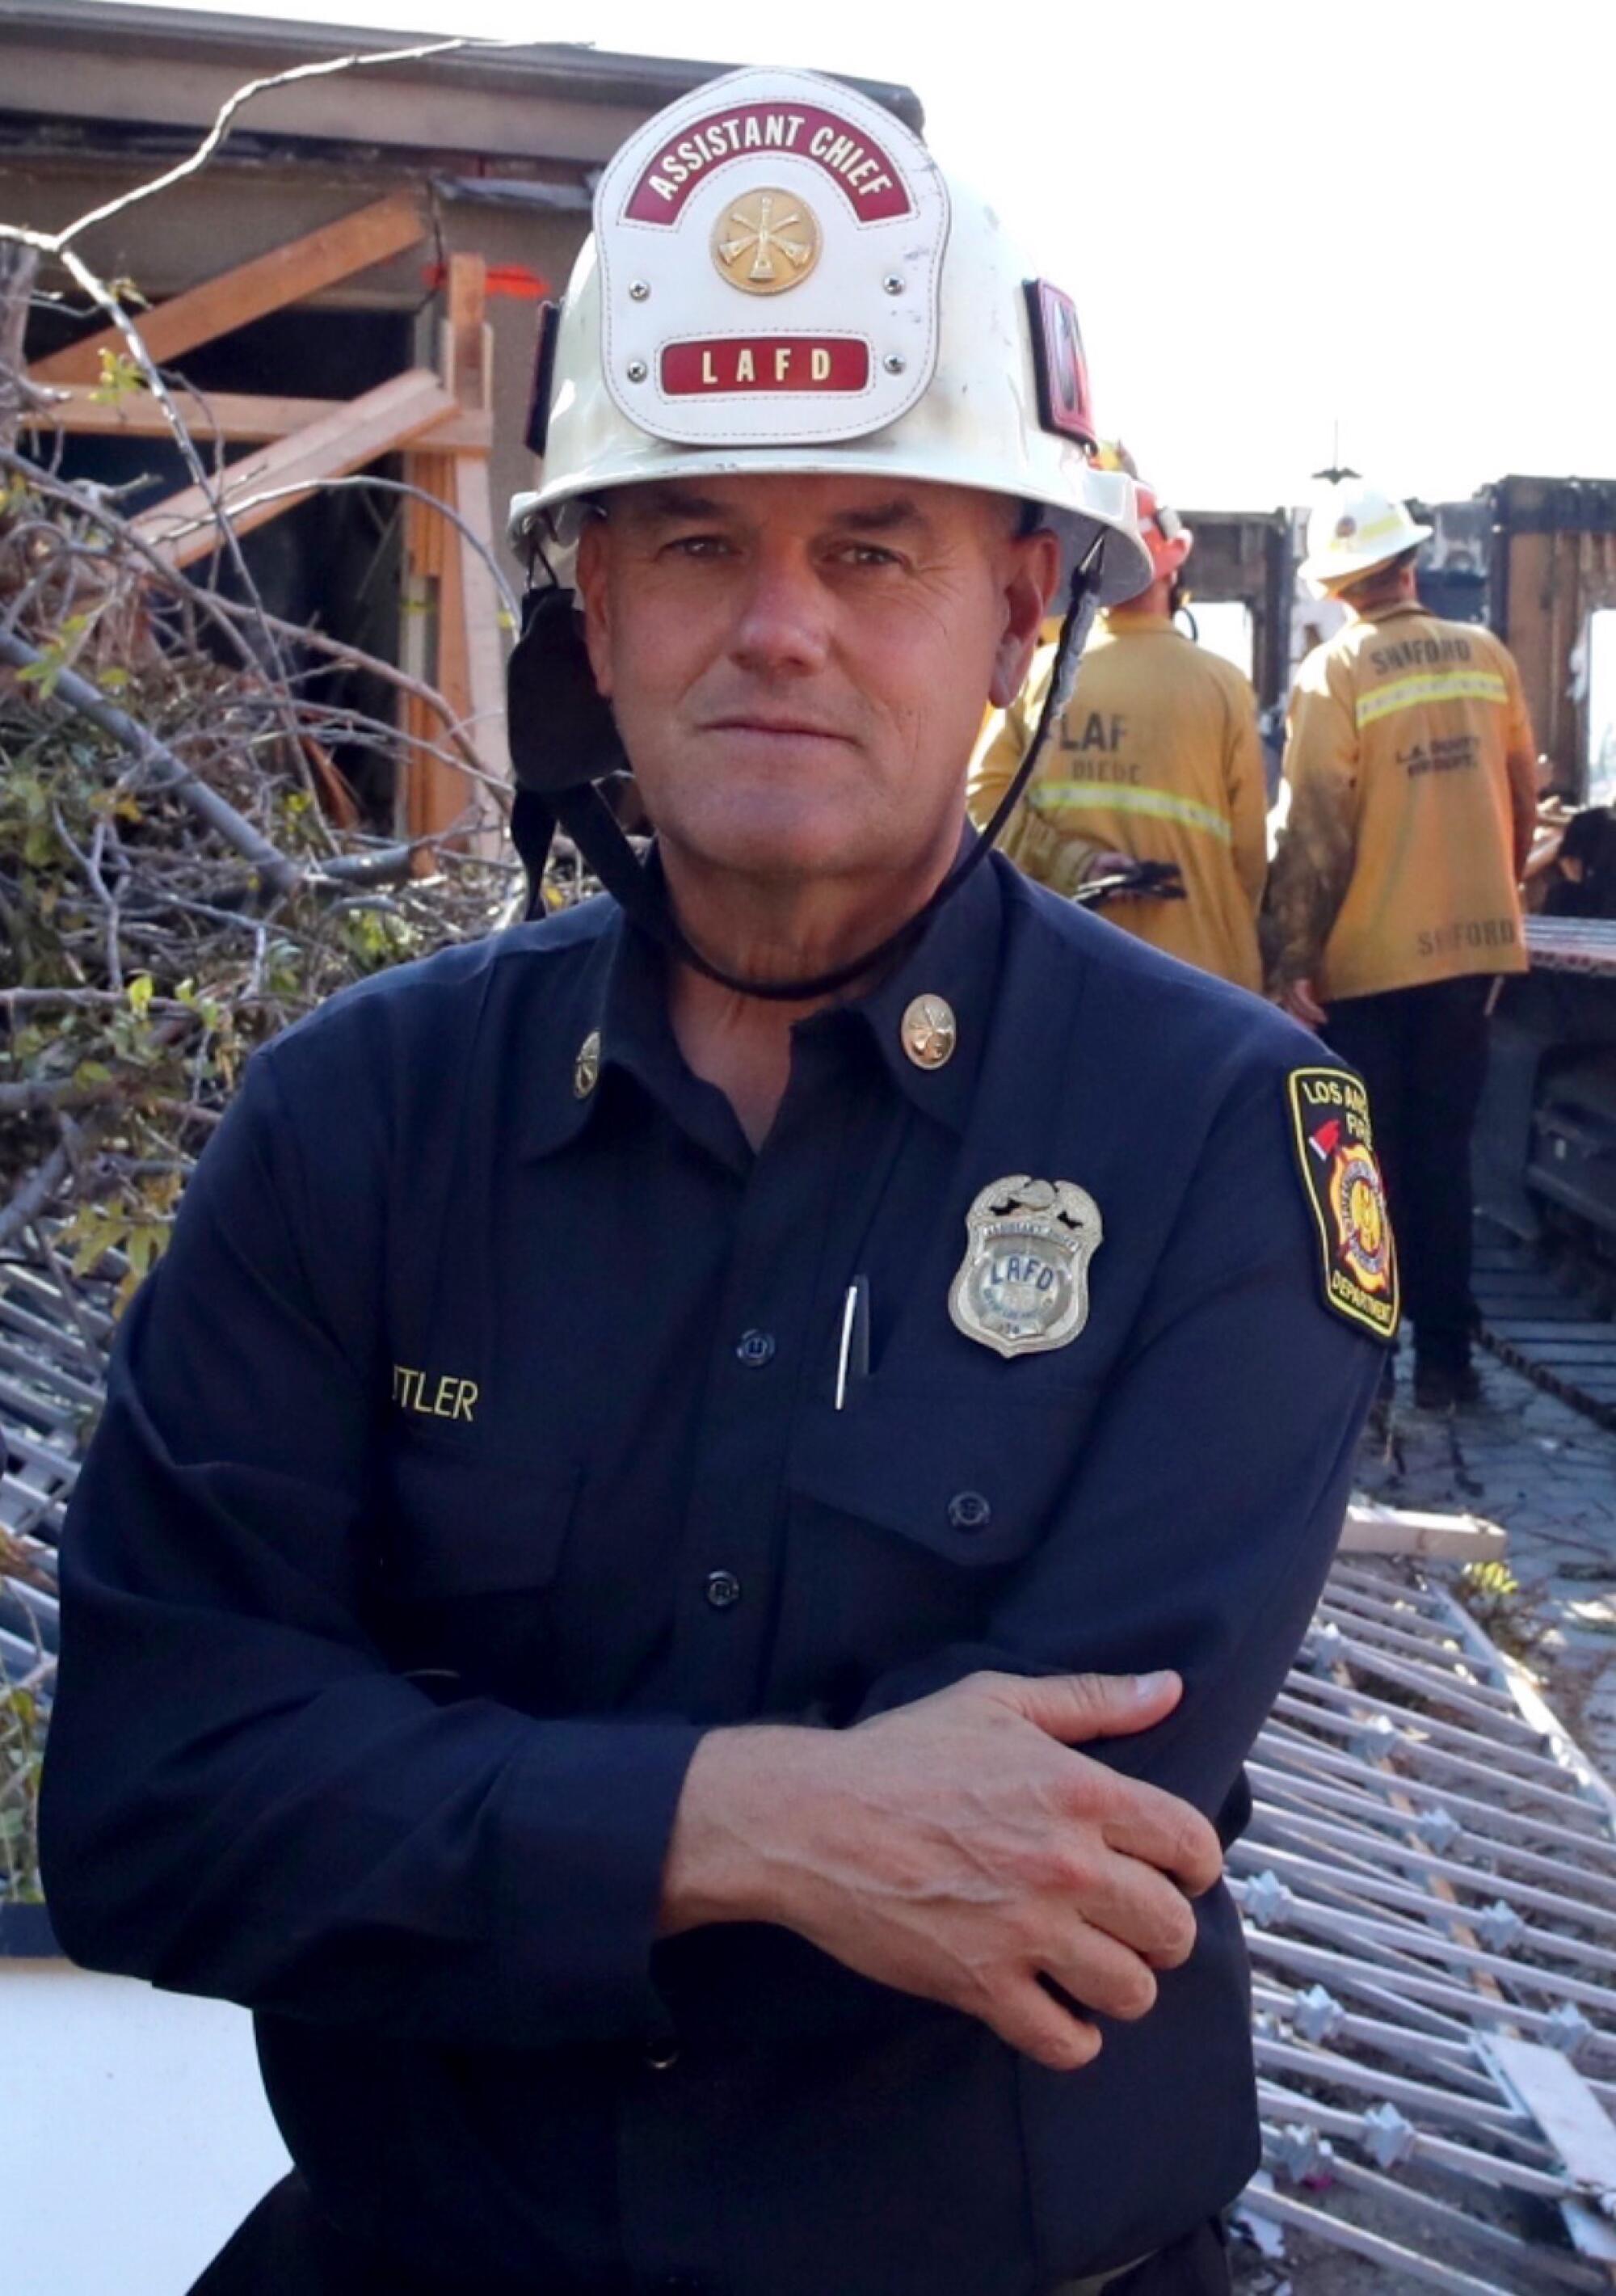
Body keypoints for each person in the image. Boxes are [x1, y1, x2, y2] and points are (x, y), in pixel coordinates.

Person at [41, 66, 1392, 2296]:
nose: (782, 626)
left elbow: (1045, 1880)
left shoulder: (1220, 1142)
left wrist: (430, 1819)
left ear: (1018, 607)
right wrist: (760, 1825)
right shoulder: (354, 1121)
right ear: (587, 595)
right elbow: (154, 1804)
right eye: (696, 541)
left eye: (873, 548)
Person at [1266, 477, 1537, 1411]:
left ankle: (1364, 1367)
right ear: (1411, 564)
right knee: (1442, 1161)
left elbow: (1312, 828)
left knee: (1359, 1171)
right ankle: (1447, 1368)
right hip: (1469, 954)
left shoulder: (1333, 672)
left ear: (1337, 588)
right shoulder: (1486, 656)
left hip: (1366, 964)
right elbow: (1521, 799)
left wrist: (1289, 960)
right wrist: (1494, 912)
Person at [968, 475, 1267, 992]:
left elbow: (982, 805)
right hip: (1205, 979)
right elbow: (1250, 857)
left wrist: (1074, 862)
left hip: (1070, 971)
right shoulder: (1225, 686)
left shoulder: (1042, 675)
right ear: (1173, 573)